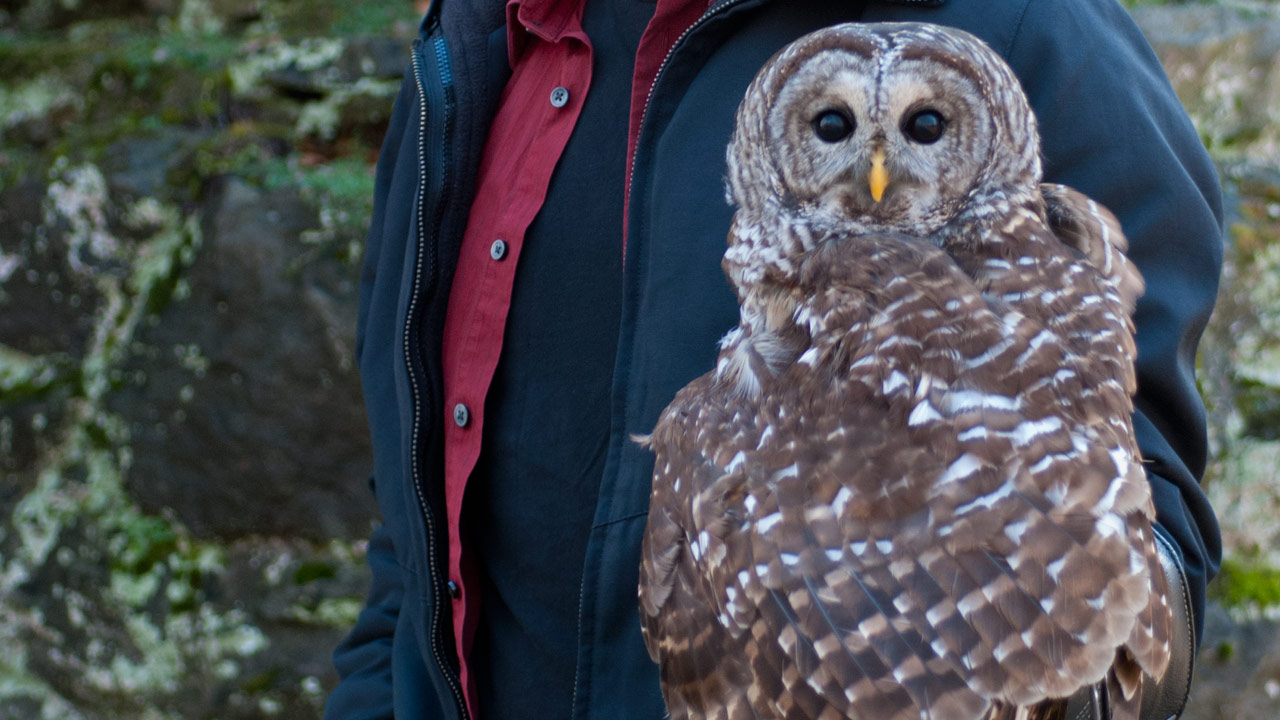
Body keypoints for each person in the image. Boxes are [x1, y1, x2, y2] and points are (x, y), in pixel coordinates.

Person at [324, 0, 1223, 718]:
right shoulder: (488, 34)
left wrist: (974, 589)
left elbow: (1148, 561)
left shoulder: (1029, 25)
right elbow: (418, 522)